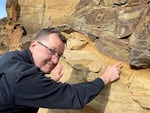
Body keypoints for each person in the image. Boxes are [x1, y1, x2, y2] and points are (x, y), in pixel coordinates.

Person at [0, 27, 122, 113]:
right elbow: (74, 97)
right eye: (51, 51)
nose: (55, 60)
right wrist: (105, 78)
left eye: (59, 55)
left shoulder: (11, 57)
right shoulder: (23, 79)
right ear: (34, 45)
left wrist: (47, 82)